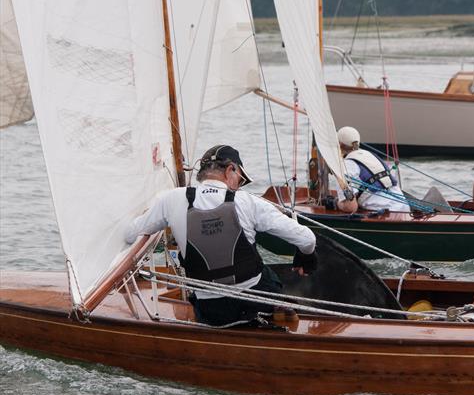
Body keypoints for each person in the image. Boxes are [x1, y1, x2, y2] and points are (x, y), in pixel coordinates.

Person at [126, 144, 317, 326]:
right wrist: (305, 256)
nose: (239, 187)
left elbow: (130, 233)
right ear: (230, 170)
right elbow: (307, 239)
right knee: (269, 276)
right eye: (241, 180)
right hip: (255, 301)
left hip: (212, 311)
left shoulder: (171, 199)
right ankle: (273, 311)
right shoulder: (247, 202)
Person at [332, 126, 410, 214]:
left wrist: (335, 203)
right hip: (405, 209)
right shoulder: (370, 155)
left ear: (339, 145)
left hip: (386, 214)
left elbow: (351, 207)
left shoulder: (345, 167)